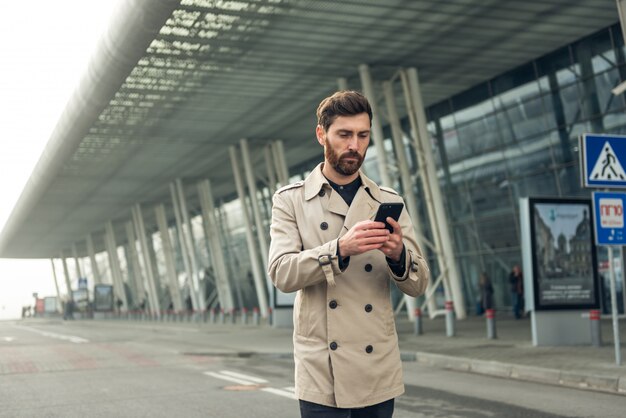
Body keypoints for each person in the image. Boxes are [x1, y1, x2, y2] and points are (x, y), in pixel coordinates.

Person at [268, 90, 430, 417]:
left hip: (376, 366)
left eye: (363, 135)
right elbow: (282, 273)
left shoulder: (388, 199)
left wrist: (398, 254)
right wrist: (339, 249)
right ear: (321, 135)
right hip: (322, 370)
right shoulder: (290, 200)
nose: (354, 145)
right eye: (344, 134)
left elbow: (419, 285)